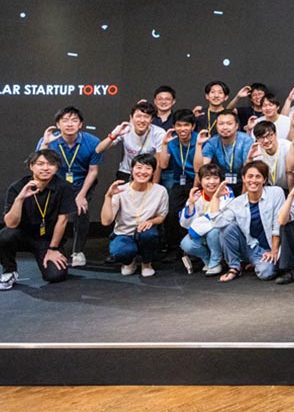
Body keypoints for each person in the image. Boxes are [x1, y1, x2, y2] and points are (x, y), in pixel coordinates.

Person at [37, 107, 102, 267]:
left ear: (80, 124)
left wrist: (81, 195)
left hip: (83, 182)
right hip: (57, 183)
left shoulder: (93, 142)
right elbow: (39, 165)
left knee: (81, 211)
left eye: (74, 120)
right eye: (65, 120)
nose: (69, 124)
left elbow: (93, 171)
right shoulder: (49, 140)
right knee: (53, 214)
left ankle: (78, 251)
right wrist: (45, 143)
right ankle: (54, 246)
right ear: (58, 124)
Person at [1, 150, 76, 289]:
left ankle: (50, 255)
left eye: (51, 164)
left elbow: (62, 221)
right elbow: (11, 223)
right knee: (5, 235)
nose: (46, 168)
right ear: (31, 166)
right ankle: (9, 271)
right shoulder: (17, 187)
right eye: (40, 164)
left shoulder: (64, 187)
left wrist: (53, 248)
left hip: (48, 240)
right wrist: (20, 198)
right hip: (23, 235)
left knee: (55, 275)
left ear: (56, 167)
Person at [99, 154, 169, 277]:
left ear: (153, 172)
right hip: (124, 233)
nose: (143, 172)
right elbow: (106, 221)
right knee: (120, 251)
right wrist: (108, 196)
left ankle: (146, 263)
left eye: (148, 168)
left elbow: (161, 216)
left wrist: (151, 221)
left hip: (145, 231)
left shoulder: (160, 191)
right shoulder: (121, 190)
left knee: (150, 235)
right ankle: (129, 262)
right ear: (132, 170)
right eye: (139, 167)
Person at [215, 161, 284, 282]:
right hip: (251, 246)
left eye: (258, 176)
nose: (253, 180)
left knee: (265, 273)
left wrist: (273, 251)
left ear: (264, 179)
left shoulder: (276, 193)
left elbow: (277, 225)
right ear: (243, 179)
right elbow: (218, 223)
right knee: (227, 228)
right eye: (250, 176)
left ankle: (259, 262)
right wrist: (216, 197)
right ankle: (234, 267)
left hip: (271, 246)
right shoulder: (237, 202)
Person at [178, 163, 233, 276]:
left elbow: (218, 219)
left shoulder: (226, 191)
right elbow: (185, 224)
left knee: (214, 231)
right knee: (186, 244)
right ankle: (208, 260)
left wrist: (196, 227)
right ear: (200, 180)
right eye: (207, 178)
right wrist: (191, 205)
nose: (211, 182)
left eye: (215, 178)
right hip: (201, 232)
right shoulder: (197, 195)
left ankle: (216, 261)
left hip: (220, 231)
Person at [156, 109, 197, 255]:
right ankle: (174, 248)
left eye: (186, 125)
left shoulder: (199, 140)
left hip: (196, 181)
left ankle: (193, 249)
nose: (182, 129)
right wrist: (164, 144)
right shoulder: (171, 141)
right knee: (172, 213)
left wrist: (195, 189)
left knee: (193, 213)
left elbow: (200, 169)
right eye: (179, 125)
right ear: (174, 126)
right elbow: (163, 165)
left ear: (193, 126)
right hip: (178, 181)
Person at [96, 101, 166, 182]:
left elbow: (158, 164)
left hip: (146, 174)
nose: (142, 120)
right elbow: (99, 149)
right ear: (131, 117)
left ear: (151, 119)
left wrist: (154, 186)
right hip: (127, 172)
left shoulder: (159, 133)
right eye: (138, 116)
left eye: (146, 117)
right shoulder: (124, 129)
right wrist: (114, 135)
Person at [194, 109, 255, 192]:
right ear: (216, 126)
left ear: (236, 126)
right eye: (221, 124)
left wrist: (243, 197)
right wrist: (199, 145)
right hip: (220, 183)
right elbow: (200, 170)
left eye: (229, 124)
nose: (225, 127)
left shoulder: (246, 141)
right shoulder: (212, 142)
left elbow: (248, 172)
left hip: (243, 182)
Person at [248, 120, 293, 190]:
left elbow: (292, 173)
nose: (266, 140)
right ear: (257, 139)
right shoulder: (256, 151)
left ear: (275, 134)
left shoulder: (287, 147)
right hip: (270, 189)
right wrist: (250, 159)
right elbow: (250, 175)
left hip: (290, 187)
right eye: (261, 138)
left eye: (269, 136)